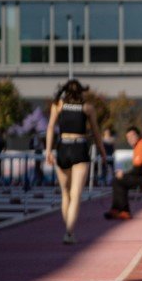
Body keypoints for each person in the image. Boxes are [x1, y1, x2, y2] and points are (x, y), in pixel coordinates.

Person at [45, 79, 106, 244]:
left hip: (62, 147)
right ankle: (69, 232)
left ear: (65, 91)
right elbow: (96, 132)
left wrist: (48, 151)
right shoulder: (87, 107)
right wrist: (103, 153)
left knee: (65, 194)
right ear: (81, 92)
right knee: (75, 194)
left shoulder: (58, 105)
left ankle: (68, 230)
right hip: (79, 148)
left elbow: (50, 127)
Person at [105, 125, 142, 220]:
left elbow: (137, 170)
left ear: (139, 135)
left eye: (132, 135)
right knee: (118, 179)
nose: (130, 139)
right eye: (128, 137)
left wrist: (123, 174)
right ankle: (116, 209)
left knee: (119, 180)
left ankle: (124, 211)